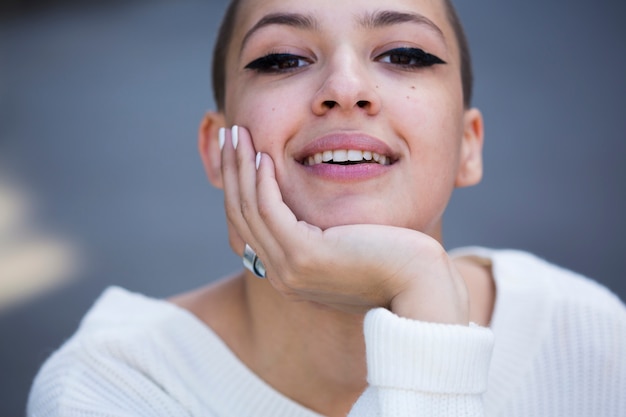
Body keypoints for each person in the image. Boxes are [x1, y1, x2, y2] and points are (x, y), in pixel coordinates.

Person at [27, 0, 626, 416]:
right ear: (216, 149)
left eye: (405, 54)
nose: (344, 87)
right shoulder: (112, 389)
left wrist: (425, 294)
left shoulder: (589, 340)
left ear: (469, 145)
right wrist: (419, 297)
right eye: (282, 59)